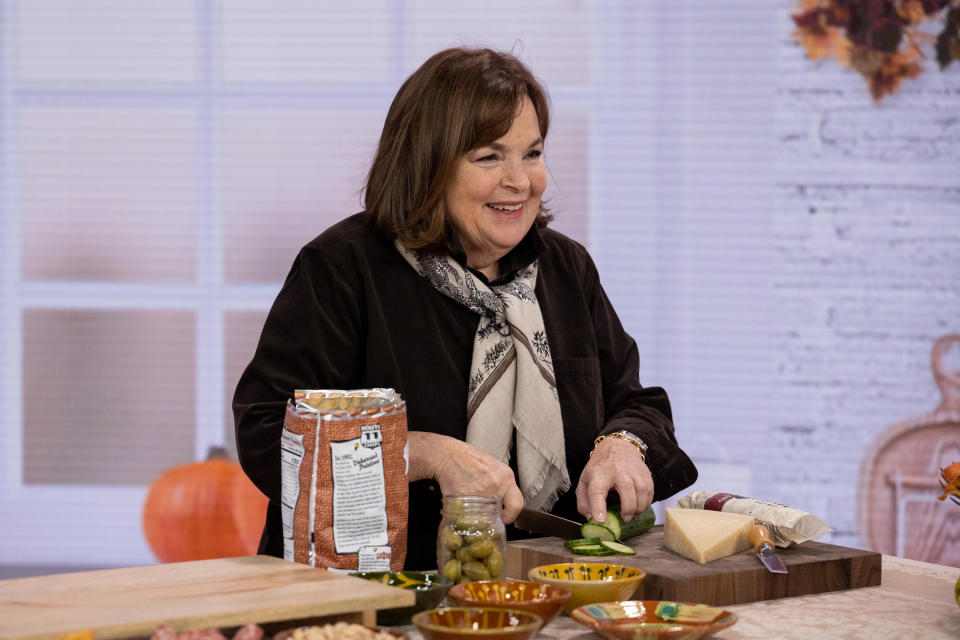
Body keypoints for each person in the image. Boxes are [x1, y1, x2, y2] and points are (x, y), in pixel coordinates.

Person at [233, 47, 698, 569]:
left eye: (533, 153)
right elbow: (267, 433)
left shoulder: (566, 268)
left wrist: (623, 444)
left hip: (546, 587)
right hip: (371, 596)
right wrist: (419, 452)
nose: (520, 180)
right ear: (429, 165)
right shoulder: (341, 268)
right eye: (489, 157)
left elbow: (637, 402)